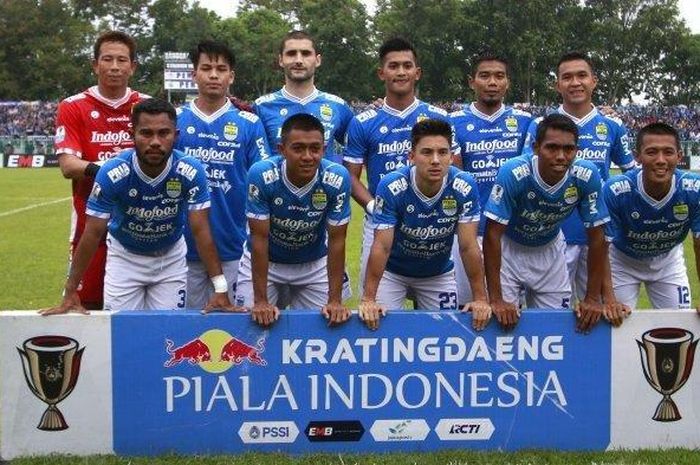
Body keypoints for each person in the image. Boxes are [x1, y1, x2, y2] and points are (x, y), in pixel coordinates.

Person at [40, 99, 236, 314]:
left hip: (170, 260)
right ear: (132, 134)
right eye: (146, 133)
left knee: (166, 331)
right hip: (125, 258)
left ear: (176, 135)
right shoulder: (112, 173)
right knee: (123, 333)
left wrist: (220, 288)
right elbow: (92, 233)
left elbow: (201, 230)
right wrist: (70, 290)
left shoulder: (190, 171)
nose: (155, 142)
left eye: (164, 133)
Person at [343, 37, 454, 299]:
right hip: (382, 222)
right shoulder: (363, 122)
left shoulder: (439, 117)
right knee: (375, 317)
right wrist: (373, 207)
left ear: (418, 72)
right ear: (382, 72)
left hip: (432, 223)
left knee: (440, 323)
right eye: (393, 66)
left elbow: (454, 170)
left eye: (407, 65)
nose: (401, 72)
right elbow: (350, 176)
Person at [523, 52, 635, 305]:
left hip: (597, 236)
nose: (575, 82)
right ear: (557, 85)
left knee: (598, 312)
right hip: (552, 236)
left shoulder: (612, 125)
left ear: (594, 81)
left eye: (582, 75)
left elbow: (631, 175)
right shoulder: (540, 125)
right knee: (555, 317)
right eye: (567, 77)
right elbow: (527, 175)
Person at [483, 114, 611, 332]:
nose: (560, 156)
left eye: (568, 149)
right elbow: (492, 234)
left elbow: (598, 236)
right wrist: (495, 298)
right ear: (535, 148)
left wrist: (591, 297)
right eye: (551, 148)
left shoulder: (587, 175)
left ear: (576, 151)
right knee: (502, 324)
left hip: (550, 250)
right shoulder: (513, 173)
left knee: (556, 329)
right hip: (508, 250)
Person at [359, 119, 490, 331]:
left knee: (444, 335)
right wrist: (368, 298)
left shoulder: (465, 186)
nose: (436, 160)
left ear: (451, 156)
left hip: (437, 274)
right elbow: (382, 246)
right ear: (411, 156)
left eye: (443, 152)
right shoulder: (391, 185)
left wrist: (481, 298)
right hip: (392, 272)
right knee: (380, 330)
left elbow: (468, 246)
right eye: (427, 152)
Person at [54, 31, 148, 309]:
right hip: (89, 226)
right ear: (95, 65)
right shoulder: (73, 106)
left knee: (140, 314)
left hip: (139, 226)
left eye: (122, 60)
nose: (115, 66)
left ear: (133, 67)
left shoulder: (146, 105)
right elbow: (68, 165)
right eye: (107, 59)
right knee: (84, 307)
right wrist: (111, 171)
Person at [175, 40, 271, 308]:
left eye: (221, 69)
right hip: (183, 250)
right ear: (194, 74)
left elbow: (263, 180)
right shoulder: (175, 121)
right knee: (186, 332)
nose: (214, 75)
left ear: (232, 76)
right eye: (206, 68)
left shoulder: (249, 123)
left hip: (234, 247)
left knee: (237, 329)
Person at [237, 113, 351, 327]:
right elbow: (259, 238)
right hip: (267, 261)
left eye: (315, 149)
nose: (308, 156)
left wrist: (334, 300)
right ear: (282, 150)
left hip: (315, 262)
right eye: (298, 148)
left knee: (322, 331)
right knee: (250, 327)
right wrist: (260, 300)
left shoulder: (337, 178)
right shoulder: (261, 175)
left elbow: (337, 240)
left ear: (324, 149)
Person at [450, 53, 532, 306]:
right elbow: (455, 179)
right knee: (467, 307)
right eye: (484, 76)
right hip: (468, 232)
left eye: (499, 76)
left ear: (508, 82)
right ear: (471, 81)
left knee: (508, 309)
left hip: (510, 234)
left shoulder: (525, 122)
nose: (492, 82)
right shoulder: (453, 122)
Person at [603, 122, 700, 312]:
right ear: (637, 156)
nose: (661, 160)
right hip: (622, 261)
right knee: (615, 322)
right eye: (652, 152)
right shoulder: (616, 190)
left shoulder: (694, 189)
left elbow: (699, 244)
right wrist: (608, 297)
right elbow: (600, 247)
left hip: (668, 261)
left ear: (679, 156)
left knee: (678, 324)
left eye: (668, 152)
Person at [253, 30, 353, 163]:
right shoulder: (261, 107)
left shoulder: (338, 107)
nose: (298, 60)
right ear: (281, 60)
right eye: (291, 54)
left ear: (317, 60)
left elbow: (358, 150)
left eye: (306, 54)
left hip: (323, 184)